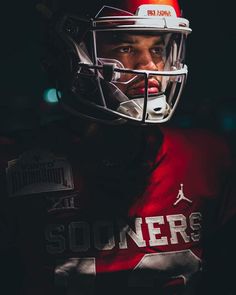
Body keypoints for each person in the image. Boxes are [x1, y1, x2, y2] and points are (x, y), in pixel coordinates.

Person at [0, 0, 236, 294]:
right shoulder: (14, 164)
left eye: (158, 49)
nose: (150, 65)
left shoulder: (210, 158)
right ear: (72, 53)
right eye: (126, 48)